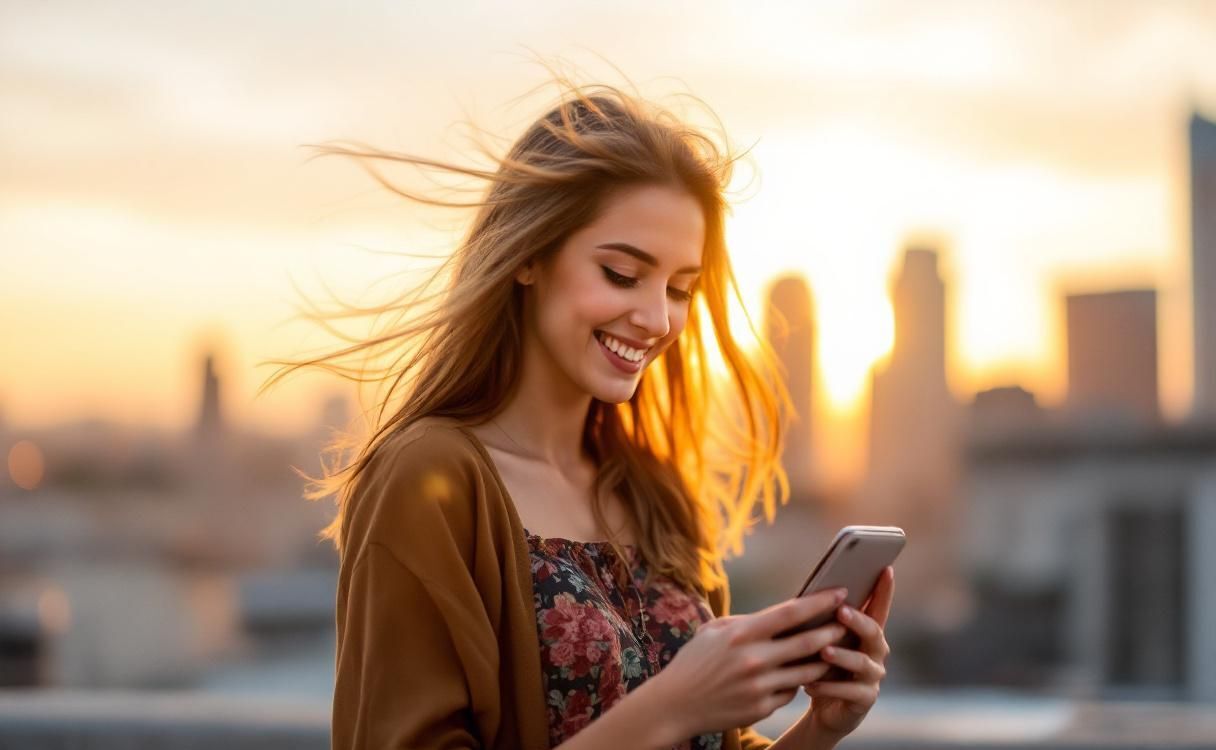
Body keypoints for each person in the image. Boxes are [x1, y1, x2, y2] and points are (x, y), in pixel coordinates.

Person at [267, 73, 894, 750]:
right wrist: (673, 705)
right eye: (622, 274)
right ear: (529, 256)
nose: (657, 318)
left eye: (681, 288)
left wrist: (820, 729)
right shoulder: (429, 478)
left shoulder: (653, 492)